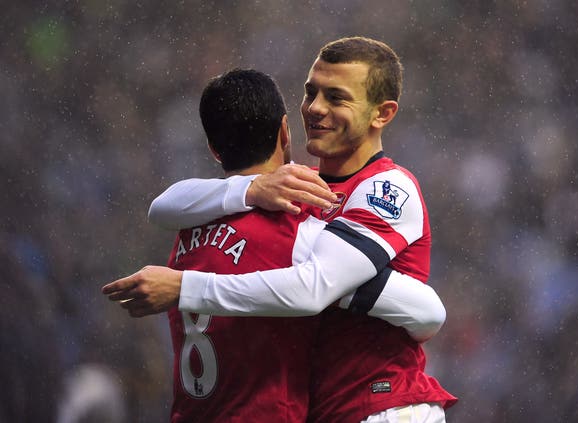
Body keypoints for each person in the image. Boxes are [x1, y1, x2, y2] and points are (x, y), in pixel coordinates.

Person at [104, 37, 457, 422]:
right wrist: (250, 189)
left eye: (336, 98)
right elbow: (163, 206)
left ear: (382, 114)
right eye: (311, 92)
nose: (316, 108)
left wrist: (185, 287)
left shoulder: (386, 188)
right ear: (285, 133)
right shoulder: (295, 194)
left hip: (383, 408)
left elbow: (315, 288)